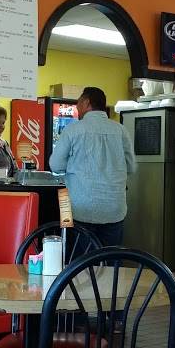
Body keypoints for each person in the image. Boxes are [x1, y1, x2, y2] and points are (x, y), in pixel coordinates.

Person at [48, 86, 136, 246]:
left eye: (78, 103)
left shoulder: (73, 129)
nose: (77, 107)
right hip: (114, 210)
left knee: (82, 259)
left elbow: (55, 165)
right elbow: (131, 167)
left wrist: (73, 165)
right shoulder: (121, 130)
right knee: (110, 258)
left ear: (87, 102)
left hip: (81, 209)